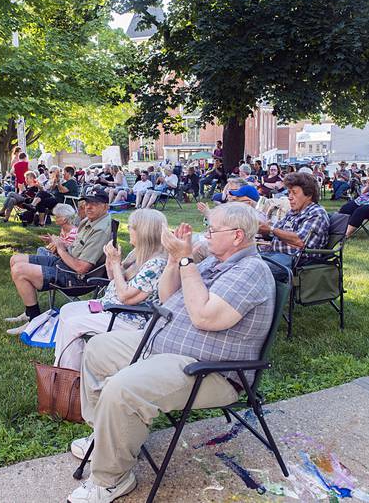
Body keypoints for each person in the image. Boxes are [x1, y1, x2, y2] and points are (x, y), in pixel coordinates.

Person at [66, 202, 274, 503]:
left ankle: (111, 480)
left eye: (212, 229)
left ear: (238, 236)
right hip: (164, 346)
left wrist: (188, 261)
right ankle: (104, 436)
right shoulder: (216, 262)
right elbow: (168, 295)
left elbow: (205, 317)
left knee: (123, 388)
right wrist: (175, 261)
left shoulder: (250, 270)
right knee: (97, 347)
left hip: (207, 369)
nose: (206, 234)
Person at [52, 209, 168, 371]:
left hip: (129, 318)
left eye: (131, 227)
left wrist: (115, 263)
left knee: (73, 325)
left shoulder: (156, 264)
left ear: (143, 232)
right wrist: (110, 262)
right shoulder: (138, 254)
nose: (128, 229)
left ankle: (69, 374)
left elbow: (125, 297)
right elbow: (115, 281)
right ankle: (66, 364)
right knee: (67, 310)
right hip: (111, 307)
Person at [5, 191, 112, 326]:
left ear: (106, 207)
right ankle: (29, 312)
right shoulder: (89, 221)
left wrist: (61, 249)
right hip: (65, 264)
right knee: (15, 259)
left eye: (94, 204)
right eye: (87, 203)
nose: (88, 207)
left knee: (19, 270)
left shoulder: (100, 230)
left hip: (76, 279)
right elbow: (77, 247)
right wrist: (60, 244)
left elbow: (81, 268)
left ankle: (34, 319)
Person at [257, 172, 330, 268]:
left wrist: (275, 232)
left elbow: (299, 241)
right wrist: (260, 228)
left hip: (297, 261)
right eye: (289, 192)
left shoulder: (316, 213)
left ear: (309, 195)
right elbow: (275, 231)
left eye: (294, 193)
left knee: (253, 269)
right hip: (276, 254)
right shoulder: (293, 212)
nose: (289, 197)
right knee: (242, 262)